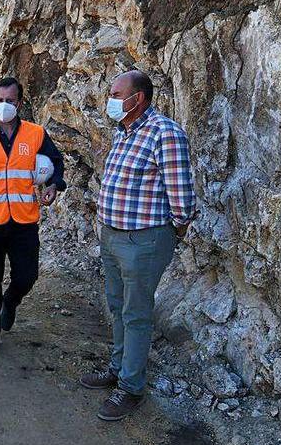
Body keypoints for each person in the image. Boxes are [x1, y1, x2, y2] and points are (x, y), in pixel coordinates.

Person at [81, 69, 196, 421]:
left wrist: (169, 231)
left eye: (116, 94)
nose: (111, 101)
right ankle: (118, 369)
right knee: (117, 306)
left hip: (143, 239)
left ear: (138, 98)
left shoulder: (164, 133)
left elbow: (183, 199)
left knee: (136, 313)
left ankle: (131, 388)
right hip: (113, 236)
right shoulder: (124, 132)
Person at [0, 76, 67, 357]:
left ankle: (10, 302)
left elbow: (56, 163)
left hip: (24, 221)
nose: (4, 106)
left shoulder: (35, 134)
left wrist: (53, 186)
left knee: (27, 276)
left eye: (9, 101)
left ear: (19, 103)